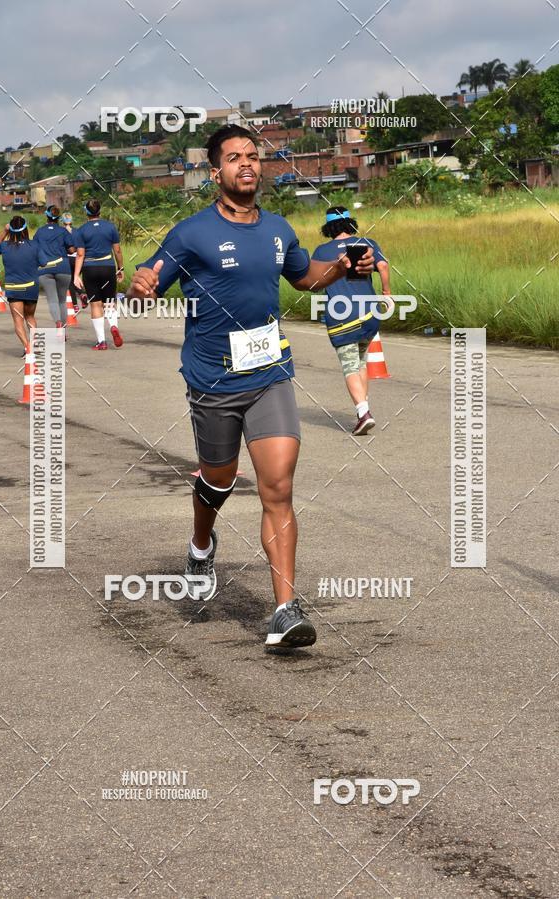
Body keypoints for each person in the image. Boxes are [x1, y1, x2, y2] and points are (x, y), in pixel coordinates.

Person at [128, 124, 374, 649]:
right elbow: (151, 280)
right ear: (215, 171)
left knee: (278, 486)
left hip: (270, 376)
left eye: (253, 157)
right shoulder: (191, 233)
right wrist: (143, 284)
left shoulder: (279, 229)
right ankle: (201, 543)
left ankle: (284, 610)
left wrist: (346, 265)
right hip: (213, 381)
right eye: (235, 157)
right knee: (217, 481)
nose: (247, 164)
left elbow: (307, 276)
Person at [312, 207, 391, 435]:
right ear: (350, 223)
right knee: (361, 363)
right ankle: (363, 408)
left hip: (342, 317)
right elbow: (383, 266)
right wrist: (386, 293)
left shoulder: (321, 250)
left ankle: (363, 412)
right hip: (370, 315)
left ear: (329, 228)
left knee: (349, 366)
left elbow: (314, 282)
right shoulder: (367, 242)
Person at [73, 199, 123, 350]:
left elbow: (80, 255)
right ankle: (113, 325)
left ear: (86, 212)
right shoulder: (110, 227)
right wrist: (120, 269)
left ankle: (101, 341)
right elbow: (118, 251)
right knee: (109, 302)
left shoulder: (81, 230)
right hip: (107, 267)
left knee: (95, 304)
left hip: (90, 269)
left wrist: (76, 275)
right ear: (100, 211)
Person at [0, 216, 44, 353]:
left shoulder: (4, 246)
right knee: (30, 317)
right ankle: (35, 345)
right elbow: (43, 263)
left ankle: (28, 348)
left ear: (11, 230)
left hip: (14, 289)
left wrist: (4, 231)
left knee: (18, 320)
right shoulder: (35, 244)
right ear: (25, 229)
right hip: (31, 286)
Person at [32, 205, 75, 336]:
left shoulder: (39, 232)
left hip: (45, 269)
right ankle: (63, 330)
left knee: (52, 300)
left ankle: (57, 322)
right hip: (63, 267)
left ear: (47, 216)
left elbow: (34, 249)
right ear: (58, 218)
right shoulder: (63, 231)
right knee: (62, 300)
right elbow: (72, 250)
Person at [60, 212, 85, 311]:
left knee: (70, 282)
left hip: (67, 259)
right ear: (72, 221)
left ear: (62, 221)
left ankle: (75, 304)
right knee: (76, 278)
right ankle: (82, 294)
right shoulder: (77, 231)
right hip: (78, 259)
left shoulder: (61, 232)